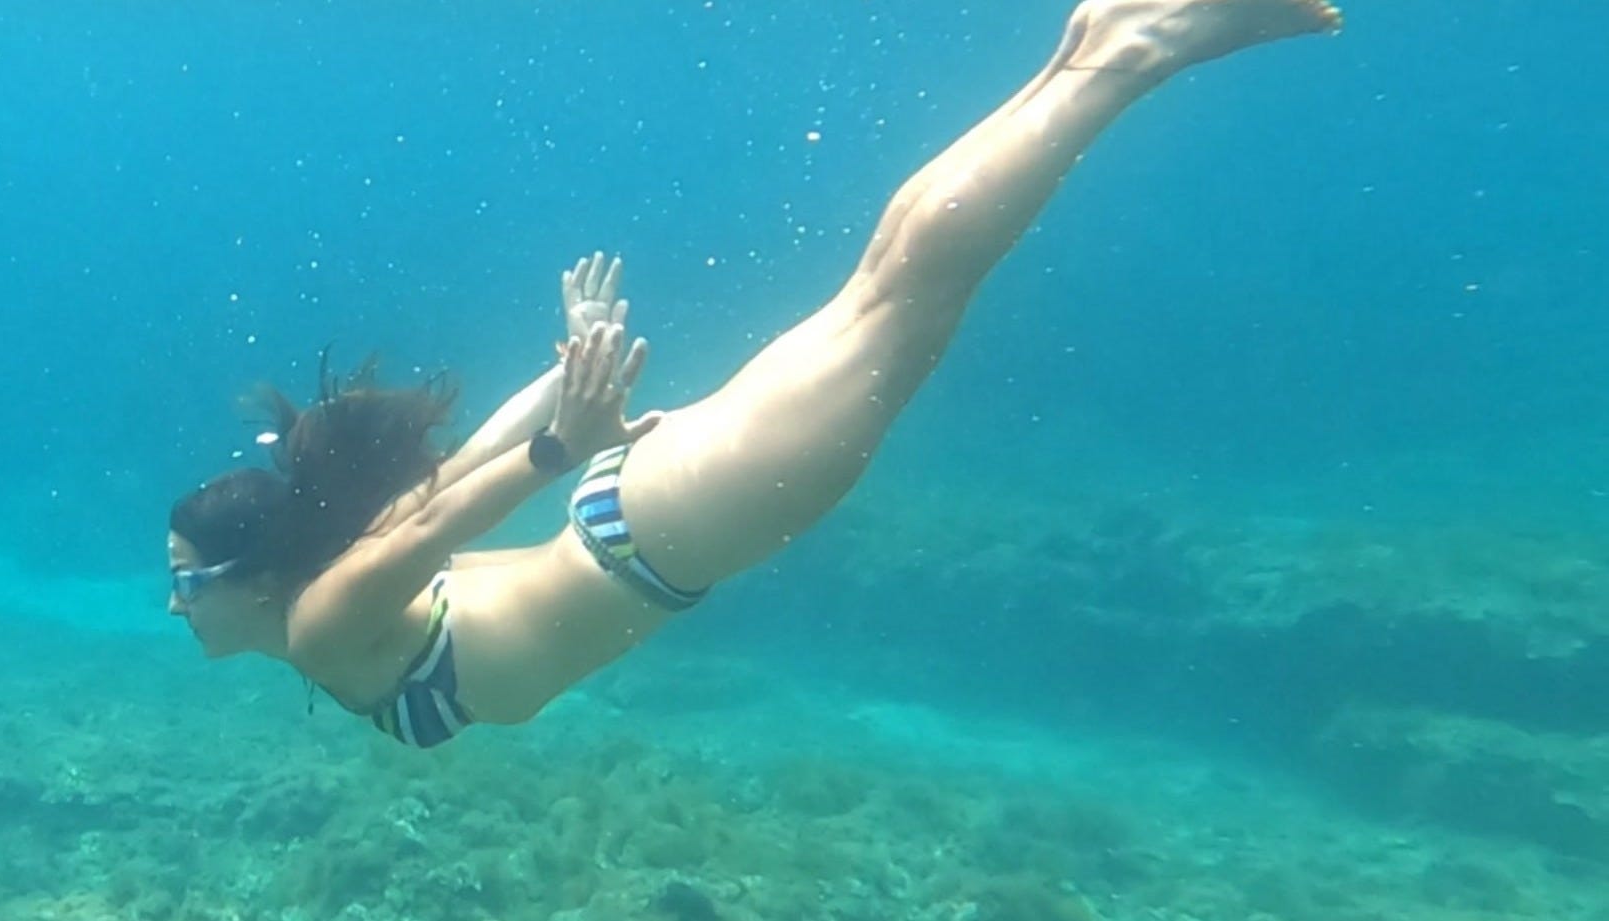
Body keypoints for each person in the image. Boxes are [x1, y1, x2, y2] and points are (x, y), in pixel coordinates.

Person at [166, 0, 1346, 748]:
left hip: (659, 531)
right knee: (889, 296)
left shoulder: (326, 626)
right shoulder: (335, 591)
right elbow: (449, 487)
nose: (175, 604)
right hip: (642, 515)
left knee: (898, 304)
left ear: (252, 576)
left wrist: (560, 439)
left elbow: (442, 523)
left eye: (185, 582)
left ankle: (1125, 53)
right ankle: (1094, 51)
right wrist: (559, 378)